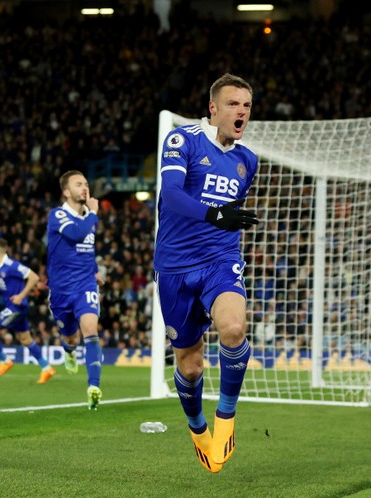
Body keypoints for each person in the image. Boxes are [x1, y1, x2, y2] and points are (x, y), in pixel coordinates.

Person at [154, 73, 260, 473]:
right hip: (175, 266)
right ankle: (197, 425)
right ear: (213, 108)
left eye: (247, 106)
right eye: (234, 104)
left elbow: (230, 217)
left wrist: (223, 221)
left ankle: (226, 415)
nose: (242, 112)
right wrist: (215, 213)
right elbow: (173, 197)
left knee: (233, 329)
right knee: (190, 365)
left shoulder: (246, 161)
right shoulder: (183, 141)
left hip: (220, 260)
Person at [46, 170, 106, 409]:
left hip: (84, 285)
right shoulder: (57, 215)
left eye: (86, 183)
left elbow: (86, 249)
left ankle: (94, 386)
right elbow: (76, 235)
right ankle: (69, 350)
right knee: (71, 337)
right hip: (61, 290)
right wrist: (93, 213)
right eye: (78, 184)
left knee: (91, 329)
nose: (84, 187)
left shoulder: (88, 217)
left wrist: (93, 270)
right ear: (66, 191)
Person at [0, 237, 54, 383]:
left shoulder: (12, 265)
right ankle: (47, 368)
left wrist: (21, 295)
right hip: (10, 305)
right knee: (25, 339)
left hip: (17, 306)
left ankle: (5, 360)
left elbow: (34, 277)